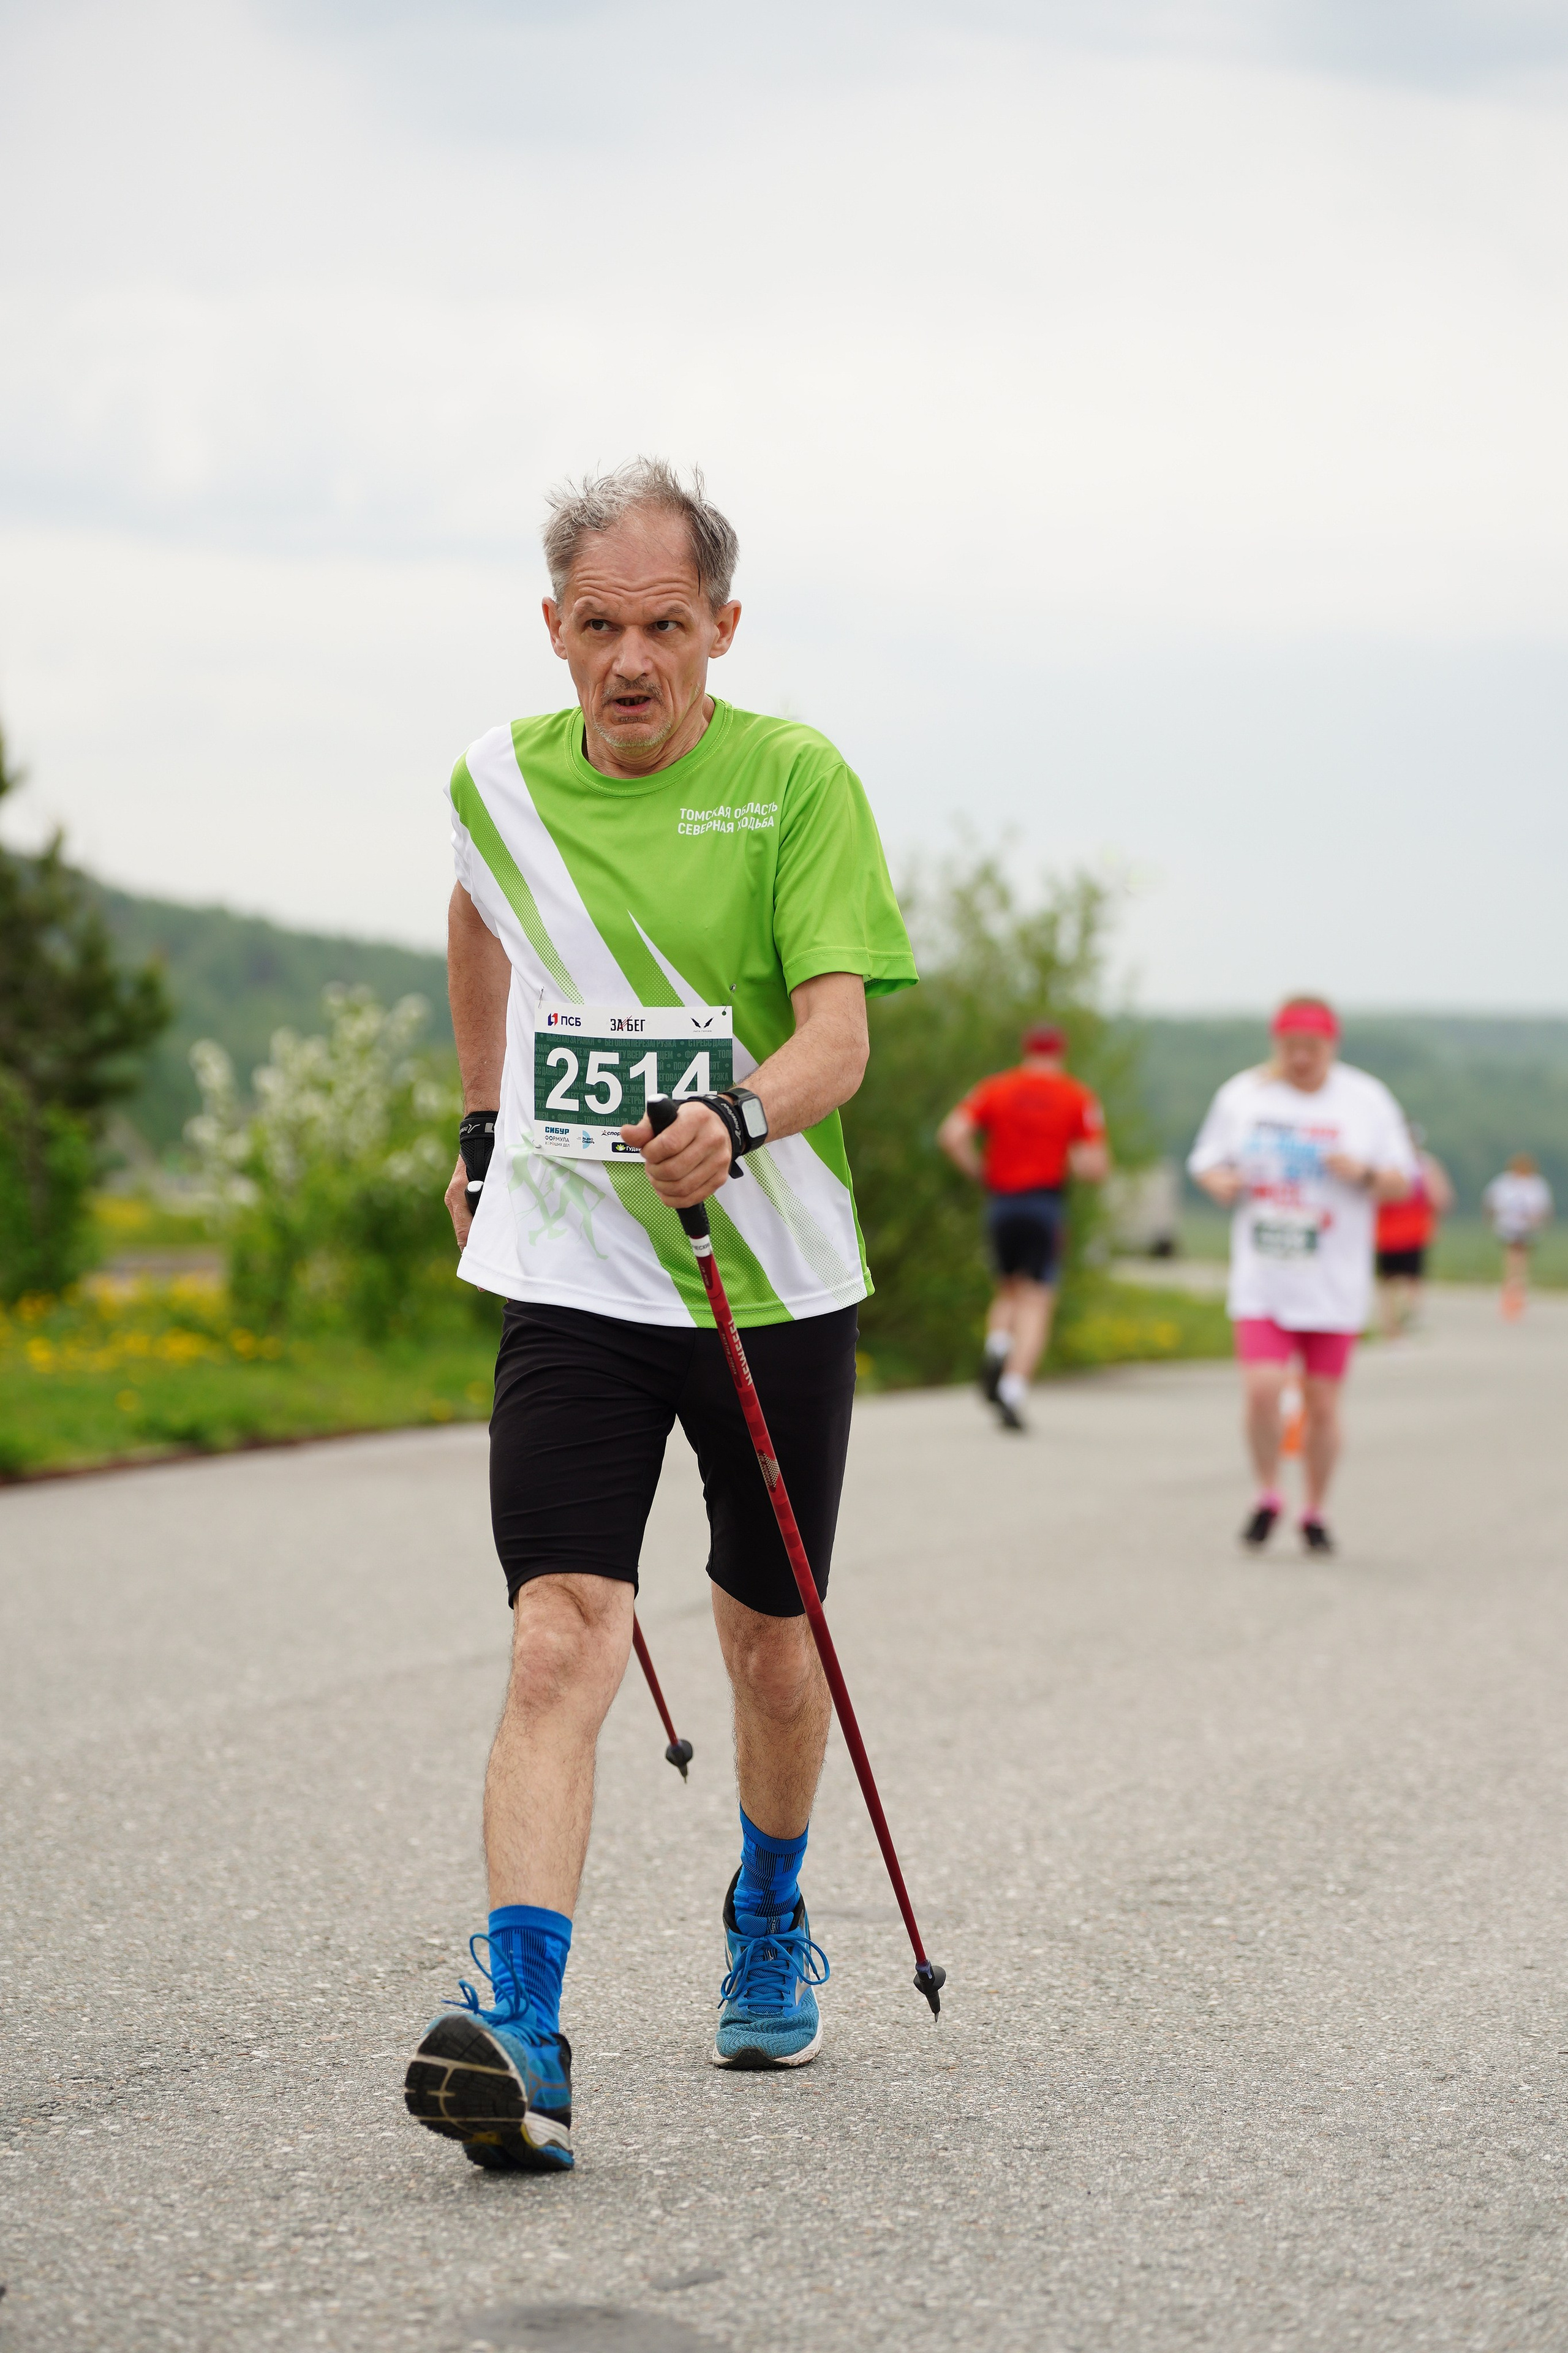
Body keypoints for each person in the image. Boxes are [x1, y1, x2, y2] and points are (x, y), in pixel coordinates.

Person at [402, 461, 917, 2175]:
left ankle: (767, 1911)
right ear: (554, 627)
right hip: (576, 1271)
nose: (632, 663)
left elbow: (836, 1039)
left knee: (770, 1643)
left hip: (765, 1275)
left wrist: (742, 1118)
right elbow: (479, 910)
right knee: (562, 1629)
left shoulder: (792, 782)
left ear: (722, 627)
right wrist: (484, 1123)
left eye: (666, 626)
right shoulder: (497, 780)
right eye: (601, 627)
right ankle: (522, 2030)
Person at [1187, 997, 1414, 1555]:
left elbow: (1403, 1180)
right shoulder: (1245, 1095)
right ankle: (1268, 1493)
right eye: (1291, 1048)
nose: (1301, 1059)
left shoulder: (1365, 1100)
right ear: (1277, 1044)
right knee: (1263, 1391)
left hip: (1333, 1279)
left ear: (1331, 1047)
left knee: (1322, 1402)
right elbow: (1205, 1159)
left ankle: (1316, 1507)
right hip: (1265, 1273)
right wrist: (1218, 1182)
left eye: (1312, 1049)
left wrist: (1359, 1172)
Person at [937, 1023, 1109, 1431]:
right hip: (1044, 1204)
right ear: (1061, 1052)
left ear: (1026, 1049)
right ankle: (1013, 1388)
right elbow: (1095, 1165)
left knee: (1007, 1289)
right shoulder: (1077, 1096)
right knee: (1037, 1299)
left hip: (1002, 1201)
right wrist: (1066, 1157)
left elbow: (952, 1134)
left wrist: (979, 1170)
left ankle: (997, 1346)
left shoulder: (996, 1088)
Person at [1374, 1122, 1453, 1339]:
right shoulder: (1419, 1166)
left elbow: (1439, 1198)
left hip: (1407, 1231)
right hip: (1392, 1232)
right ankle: (1404, 1321)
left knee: (1394, 1281)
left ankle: (1394, 1323)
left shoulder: (1416, 1165)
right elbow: (1441, 1199)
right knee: (1408, 1279)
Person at [1483, 1152, 1553, 1319]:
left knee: (1520, 1257)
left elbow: (1543, 1209)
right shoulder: (1504, 1182)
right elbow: (1491, 1202)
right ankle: (1513, 1285)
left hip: (1527, 1228)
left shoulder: (1536, 1184)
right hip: (1508, 1227)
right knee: (1513, 1256)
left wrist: (1539, 1223)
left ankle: (1517, 1285)